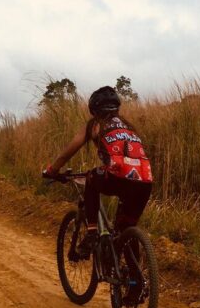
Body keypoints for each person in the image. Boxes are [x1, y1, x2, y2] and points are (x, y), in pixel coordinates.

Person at [44, 86, 153, 257]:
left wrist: (53, 170)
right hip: (145, 181)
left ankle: (92, 233)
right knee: (127, 230)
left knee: (91, 177)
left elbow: (69, 152)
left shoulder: (94, 125)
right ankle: (134, 281)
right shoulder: (128, 126)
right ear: (117, 108)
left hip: (118, 176)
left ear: (94, 110)